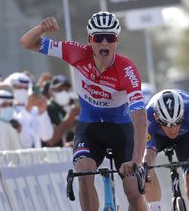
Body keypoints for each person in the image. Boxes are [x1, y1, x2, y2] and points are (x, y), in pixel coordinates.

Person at [21, 11, 148, 210]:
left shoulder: (127, 70)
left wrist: (137, 161)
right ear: (90, 39)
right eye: (98, 38)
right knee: (84, 174)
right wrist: (41, 29)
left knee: (134, 193)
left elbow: (140, 120)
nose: (104, 43)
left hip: (120, 131)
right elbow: (27, 43)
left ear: (117, 41)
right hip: (89, 129)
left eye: (110, 38)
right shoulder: (75, 52)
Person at [144, 89, 189, 211]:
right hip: (159, 137)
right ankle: (155, 208)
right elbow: (148, 154)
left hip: (186, 138)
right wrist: (146, 176)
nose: (173, 129)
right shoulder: (149, 114)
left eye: (177, 122)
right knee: (147, 169)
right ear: (156, 117)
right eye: (166, 124)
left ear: (183, 114)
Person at [2, 72, 54, 148]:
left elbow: (46, 136)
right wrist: (27, 111)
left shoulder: (35, 110)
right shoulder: (5, 110)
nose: (22, 91)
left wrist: (42, 113)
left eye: (25, 88)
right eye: (18, 87)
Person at [43, 75, 79, 147]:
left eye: (66, 90)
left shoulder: (65, 109)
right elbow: (51, 141)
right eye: (59, 90)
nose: (64, 93)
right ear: (51, 91)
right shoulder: (47, 108)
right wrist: (70, 117)